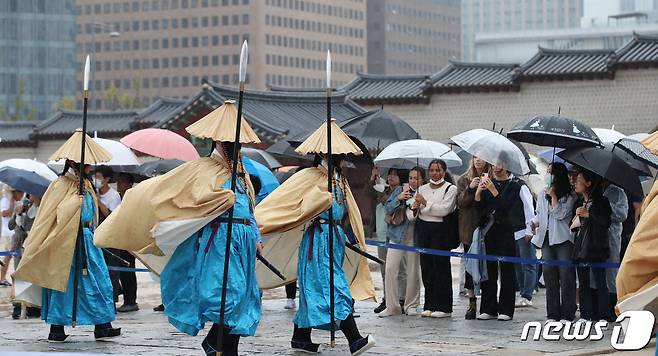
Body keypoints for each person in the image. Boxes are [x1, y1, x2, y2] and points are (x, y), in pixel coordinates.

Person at [95, 101, 262, 356]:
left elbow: (249, 209)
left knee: (243, 296)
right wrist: (219, 199)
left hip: (243, 241)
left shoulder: (241, 172)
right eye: (230, 143)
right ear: (217, 142)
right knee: (226, 293)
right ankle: (216, 342)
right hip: (219, 240)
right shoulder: (203, 169)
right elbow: (192, 199)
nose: (234, 148)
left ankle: (227, 347)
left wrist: (256, 237)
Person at [255, 120, 375, 355]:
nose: (342, 157)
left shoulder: (339, 178)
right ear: (323, 153)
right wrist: (320, 199)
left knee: (314, 290)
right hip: (317, 241)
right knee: (334, 288)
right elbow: (290, 206)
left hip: (335, 239)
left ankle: (300, 338)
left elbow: (346, 211)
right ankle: (355, 339)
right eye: (337, 153)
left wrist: (351, 236)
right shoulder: (308, 176)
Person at [12, 128, 119, 342]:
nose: (90, 168)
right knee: (62, 284)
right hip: (65, 243)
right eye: (86, 164)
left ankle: (102, 324)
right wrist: (75, 201)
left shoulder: (86, 184)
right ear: (75, 163)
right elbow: (56, 215)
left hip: (88, 241)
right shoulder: (59, 186)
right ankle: (57, 327)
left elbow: (92, 214)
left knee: (99, 282)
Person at [475, 162, 525, 321]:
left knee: (507, 271)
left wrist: (493, 191)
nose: (497, 167)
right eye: (494, 163)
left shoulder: (514, 185)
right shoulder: (488, 182)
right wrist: (478, 193)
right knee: (488, 270)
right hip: (489, 231)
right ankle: (488, 308)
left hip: (506, 231)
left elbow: (506, 209)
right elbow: (481, 209)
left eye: (501, 163)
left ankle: (506, 309)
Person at [531, 163, 577, 322]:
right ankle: (553, 313)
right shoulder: (543, 193)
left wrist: (554, 197)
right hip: (546, 238)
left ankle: (568, 312)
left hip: (563, 238)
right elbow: (539, 214)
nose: (548, 175)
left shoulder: (570, 195)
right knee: (549, 275)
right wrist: (534, 222)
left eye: (551, 172)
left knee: (566, 276)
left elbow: (561, 214)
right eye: (547, 172)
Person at [379, 166, 424, 317]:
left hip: (414, 236)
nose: (413, 181)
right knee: (390, 268)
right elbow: (387, 208)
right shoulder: (400, 190)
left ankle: (411, 304)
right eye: (411, 178)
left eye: (416, 178)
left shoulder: (424, 192)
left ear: (422, 180)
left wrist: (420, 204)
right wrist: (399, 199)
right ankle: (392, 306)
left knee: (413, 271)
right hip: (397, 235)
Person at [415, 159, 458, 318]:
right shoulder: (422, 188)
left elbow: (444, 210)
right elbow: (419, 211)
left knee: (441, 268)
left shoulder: (450, 189)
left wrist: (426, 204)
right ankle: (430, 304)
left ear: (444, 171)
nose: (434, 173)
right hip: (424, 229)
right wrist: (419, 205)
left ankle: (444, 306)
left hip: (440, 231)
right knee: (427, 268)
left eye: (438, 170)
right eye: (432, 170)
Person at [572, 170, 612, 322]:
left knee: (600, 281)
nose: (576, 182)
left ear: (589, 183)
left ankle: (603, 314)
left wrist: (589, 214)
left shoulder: (602, 202)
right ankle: (585, 314)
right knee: (583, 282)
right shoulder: (578, 202)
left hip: (596, 247)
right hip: (581, 247)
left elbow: (606, 223)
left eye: (579, 179)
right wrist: (576, 215)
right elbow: (574, 227)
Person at [456, 156, 491, 319]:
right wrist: (470, 188)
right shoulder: (464, 179)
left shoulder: (491, 177)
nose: (478, 160)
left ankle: (488, 304)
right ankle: (471, 302)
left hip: (487, 228)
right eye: (475, 157)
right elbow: (461, 203)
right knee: (470, 267)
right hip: (469, 229)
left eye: (482, 157)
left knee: (488, 267)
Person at [10, 193, 41, 319]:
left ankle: (33, 307)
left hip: (36, 247)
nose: (30, 197)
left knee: (35, 278)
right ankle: (18, 307)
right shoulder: (24, 206)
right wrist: (18, 214)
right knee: (20, 276)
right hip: (20, 247)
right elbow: (11, 226)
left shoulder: (44, 208)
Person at [601, 180, 628, 318]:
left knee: (611, 273)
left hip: (612, 236)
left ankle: (613, 307)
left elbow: (622, 214)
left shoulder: (618, 192)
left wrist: (607, 206)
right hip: (597, 239)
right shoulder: (596, 190)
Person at [367, 166, 391, 314]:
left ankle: (398, 298)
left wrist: (380, 191)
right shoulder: (378, 185)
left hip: (395, 234)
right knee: (384, 268)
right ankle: (386, 298)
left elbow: (390, 204)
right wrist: (372, 179)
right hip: (381, 233)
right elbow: (367, 193)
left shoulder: (398, 189)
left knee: (396, 270)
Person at [513, 175, 537, 308]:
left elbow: (529, 208)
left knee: (528, 264)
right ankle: (522, 291)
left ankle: (527, 295)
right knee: (517, 265)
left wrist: (530, 229)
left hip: (523, 230)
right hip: (511, 231)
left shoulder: (520, 185)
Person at [0, 188, 24, 286]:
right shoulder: (6, 200)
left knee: (10, 257)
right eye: (21, 192)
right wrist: (12, 204)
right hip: (7, 233)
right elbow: (5, 214)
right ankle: (2, 278)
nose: (22, 194)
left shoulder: (18, 201)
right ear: (15, 192)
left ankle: (3, 278)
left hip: (14, 234)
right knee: (7, 257)